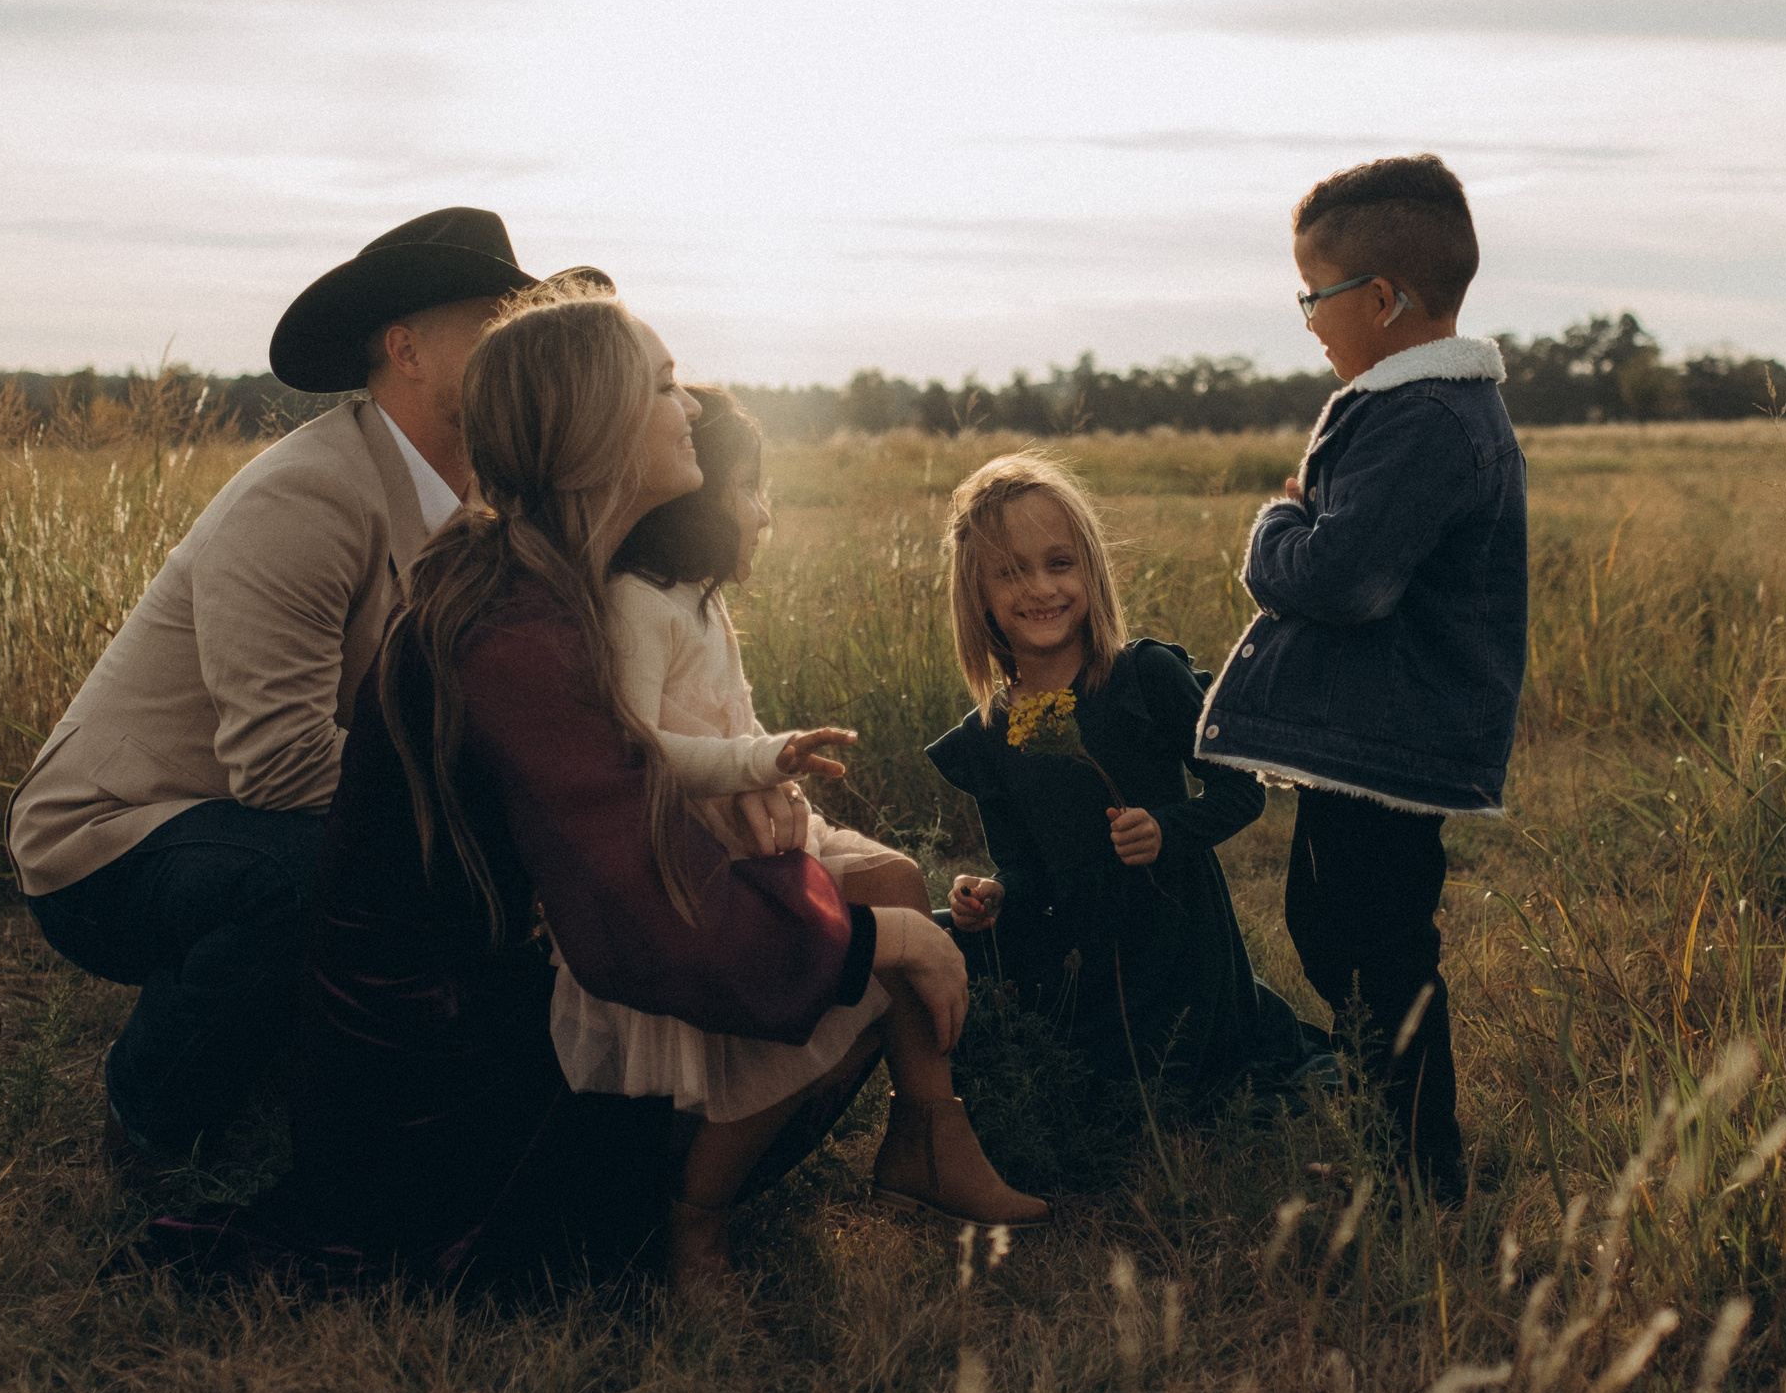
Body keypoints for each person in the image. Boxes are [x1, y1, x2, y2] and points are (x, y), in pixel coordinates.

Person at [183, 288, 984, 1296]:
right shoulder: (511, 628)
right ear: (590, 424)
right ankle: (673, 1216)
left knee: (854, 907)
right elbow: (638, 910)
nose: (689, 407)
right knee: (862, 945)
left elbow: (631, 810)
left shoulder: (540, 581)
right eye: (659, 386)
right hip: (440, 1090)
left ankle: (720, 1186)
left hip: (470, 1015)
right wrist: (883, 937)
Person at [6, 207, 571, 1163]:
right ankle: (151, 1115)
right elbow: (278, 764)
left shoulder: (484, 504)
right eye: (493, 323)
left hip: (245, 816)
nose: (521, 348)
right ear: (407, 350)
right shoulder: (306, 493)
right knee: (308, 882)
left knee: (448, 873)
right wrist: (494, 808)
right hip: (116, 837)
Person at [548, 386, 1046, 1257]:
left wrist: (775, 786)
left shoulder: (701, 603)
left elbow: (732, 733)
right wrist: (761, 763)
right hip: (690, 865)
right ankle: (701, 1215)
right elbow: (636, 752)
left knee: (895, 879)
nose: (765, 512)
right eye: (748, 490)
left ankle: (931, 1126)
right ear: (699, 506)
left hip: (749, 836)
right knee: (878, 920)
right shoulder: (638, 602)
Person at [1196, 153, 1529, 1203]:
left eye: (1314, 294)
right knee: (1329, 925)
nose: (1307, 318)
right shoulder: (1405, 408)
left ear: (1381, 298)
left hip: (1396, 737)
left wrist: (1276, 524)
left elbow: (1342, 578)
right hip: (1373, 734)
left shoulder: (1423, 418)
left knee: (1375, 944)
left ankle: (1420, 1165)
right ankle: (1387, 1115)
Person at [925, 452, 1324, 1100]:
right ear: (978, 596)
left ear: (1091, 570)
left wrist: (1168, 830)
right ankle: (940, 1107)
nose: (1039, 589)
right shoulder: (989, 734)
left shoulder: (1144, 679)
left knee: (1130, 1091)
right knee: (928, 942)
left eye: (1059, 564)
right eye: (1010, 573)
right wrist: (993, 896)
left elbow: (1241, 791)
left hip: (1171, 944)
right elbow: (1026, 871)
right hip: (1074, 943)